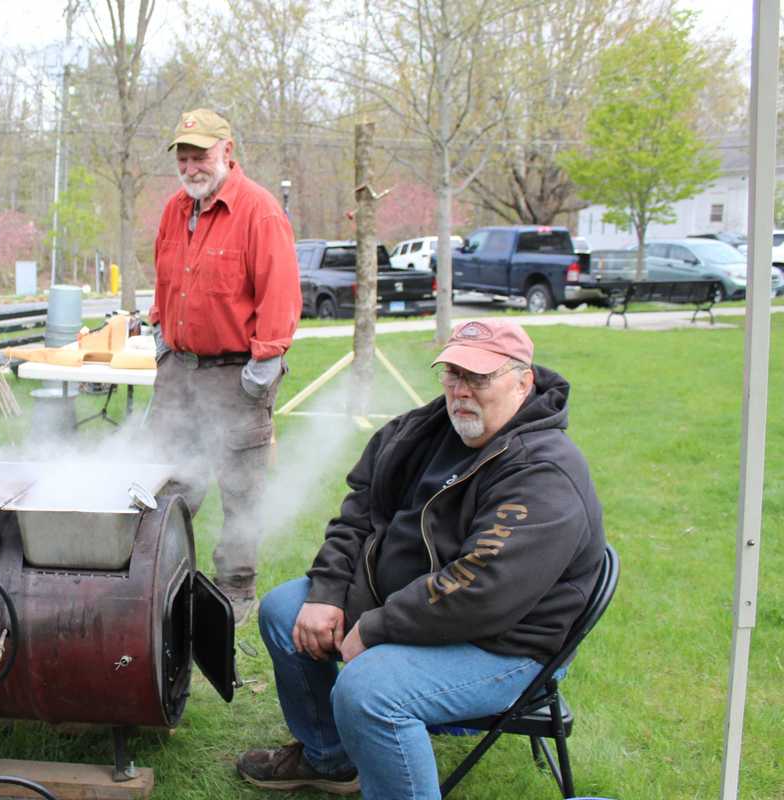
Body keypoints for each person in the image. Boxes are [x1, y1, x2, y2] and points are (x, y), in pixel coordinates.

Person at [236, 318, 607, 799]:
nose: (460, 391)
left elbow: (481, 590)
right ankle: (329, 759)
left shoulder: (544, 471)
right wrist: (328, 591)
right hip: (415, 604)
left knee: (369, 691)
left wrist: (375, 628)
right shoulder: (421, 432)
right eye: (452, 374)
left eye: (479, 377)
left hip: (506, 644)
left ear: (523, 380)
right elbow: (359, 514)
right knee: (285, 611)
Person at [146, 108, 301, 624]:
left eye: (201, 156)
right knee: (166, 481)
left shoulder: (260, 212)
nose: (191, 167)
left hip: (236, 373)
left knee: (240, 487)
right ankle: (161, 581)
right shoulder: (174, 209)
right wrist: (160, 335)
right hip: (178, 371)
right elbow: (166, 279)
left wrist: (261, 368)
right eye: (184, 157)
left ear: (227, 152)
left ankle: (235, 592)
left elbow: (279, 295)